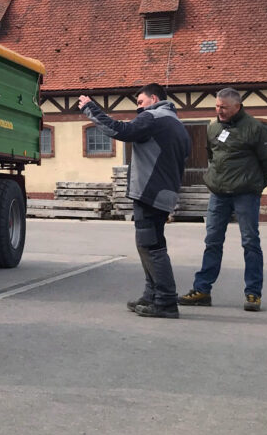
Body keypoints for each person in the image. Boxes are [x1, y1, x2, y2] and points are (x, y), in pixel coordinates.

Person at [80, 84, 190, 319]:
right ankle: (151, 295)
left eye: (140, 102)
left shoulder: (155, 118)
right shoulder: (176, 122)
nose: (138, 108)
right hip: (164, 191)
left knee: (152, 247)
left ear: (153, 98)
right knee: (149, 245)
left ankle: (166, 302)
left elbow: (120, 130)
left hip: (150, 192)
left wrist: (91, 108)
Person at [179, 87, 267, 312]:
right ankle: (202, 289)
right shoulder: (213, 127)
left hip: (246, 194)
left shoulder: (255, 129)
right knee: (212, 241)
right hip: (219, 194)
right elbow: (212, 155)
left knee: (250, 242)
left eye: (223, 107)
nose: (219, 111)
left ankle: (253, 293)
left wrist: (255, 186)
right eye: (216, 106)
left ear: (237, 106)